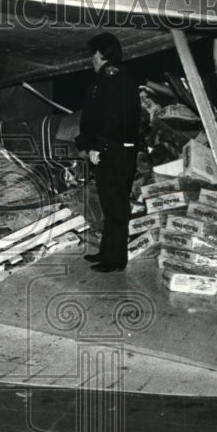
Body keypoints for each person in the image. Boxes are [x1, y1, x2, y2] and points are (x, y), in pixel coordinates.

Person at [74, 32, 140, 272]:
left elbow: (111, 117)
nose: (91, 59)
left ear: (101, 54)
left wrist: (97, 146)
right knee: (111, 203)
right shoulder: (112, 76)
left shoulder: (112, 76)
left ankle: (115, 260)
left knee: (115, 206)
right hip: (114, 148)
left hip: (113, 150)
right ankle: (107, 252)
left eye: (93, 54)